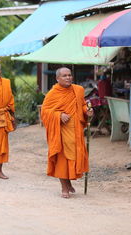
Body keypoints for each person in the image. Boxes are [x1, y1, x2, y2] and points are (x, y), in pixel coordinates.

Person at [41, 67, 94, 198]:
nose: (68, 78)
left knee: (74, 158)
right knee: (62, 159)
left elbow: (81, 105)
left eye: (69, 75)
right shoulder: (52, 94)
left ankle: (69, 182)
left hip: (76, 131)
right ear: (57, 78)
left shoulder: (78, 90)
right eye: (64, 76)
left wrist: (87, 111)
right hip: (60, 132)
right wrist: (58, 115)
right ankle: (64, 187)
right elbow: (45, 112)